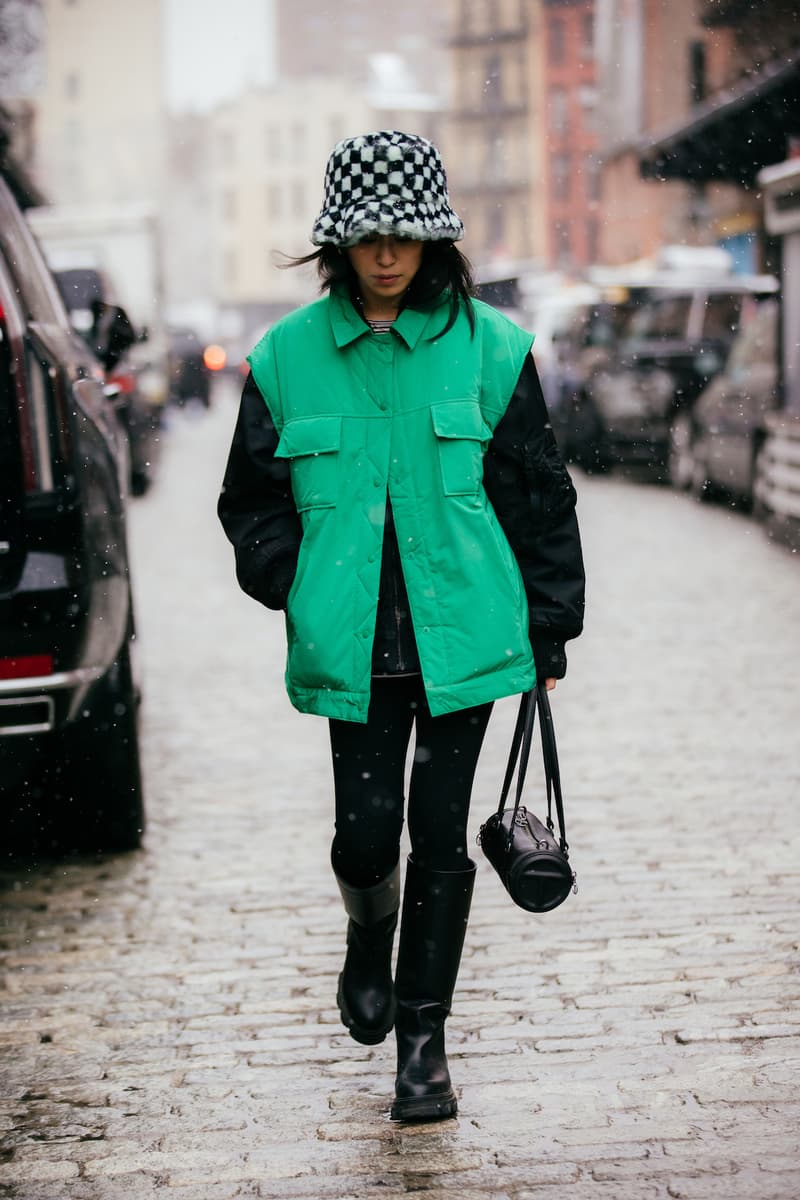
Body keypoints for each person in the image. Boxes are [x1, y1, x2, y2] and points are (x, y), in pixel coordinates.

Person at [218, 130, 585, 1123]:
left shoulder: (493, 349)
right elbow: (250, 504)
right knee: (362, 833)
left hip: (462, 639)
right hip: (355, 648)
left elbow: (538, 498)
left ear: (434, 241)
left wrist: (548, 631)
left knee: (438, 836)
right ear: (336, 243)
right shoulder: (285, 358)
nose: (386, 254)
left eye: (405, 235)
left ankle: (422, 1043)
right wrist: (294, 585)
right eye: (368, 236)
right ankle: (362, 930)